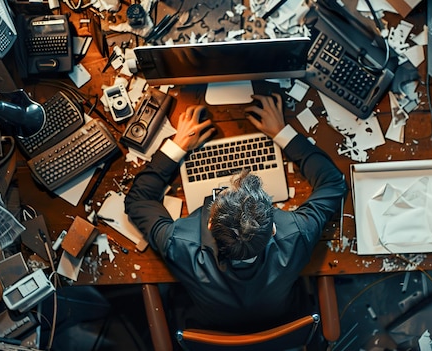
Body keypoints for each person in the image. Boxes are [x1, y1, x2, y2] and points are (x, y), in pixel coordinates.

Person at [124, 93, 347, 331]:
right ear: (272, 229)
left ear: (210, 226)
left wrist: (177, 147)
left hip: (210, 327)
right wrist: (282, 132)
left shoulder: (179, 244)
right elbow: (333, 183)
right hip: (280, 321)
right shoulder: (297, 234)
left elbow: (138, 200)